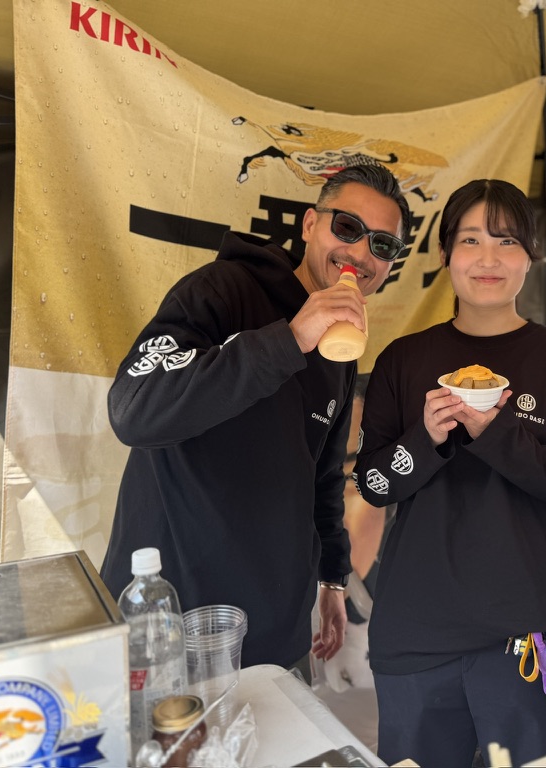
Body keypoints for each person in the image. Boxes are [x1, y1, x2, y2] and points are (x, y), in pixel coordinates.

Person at [99, 165, 413, 678]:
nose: (360, 254)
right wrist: (288, 339)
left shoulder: (342, 352)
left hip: (275, 638)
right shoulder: (221, 289)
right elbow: (134, 410)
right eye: (347, 229)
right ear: (310, 224)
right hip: (169, 627)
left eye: (382, 245)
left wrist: (332, 579)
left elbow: (323, 477)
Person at [353, 179, 546, 767]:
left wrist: (496, 435)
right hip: (418, 634)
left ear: (531, 256)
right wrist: (427, 439)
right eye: (470, 240)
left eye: (506, 241)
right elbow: (375, 484)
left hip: (534, 632)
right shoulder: (404, 359)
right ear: (445, 256)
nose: (488, 259)